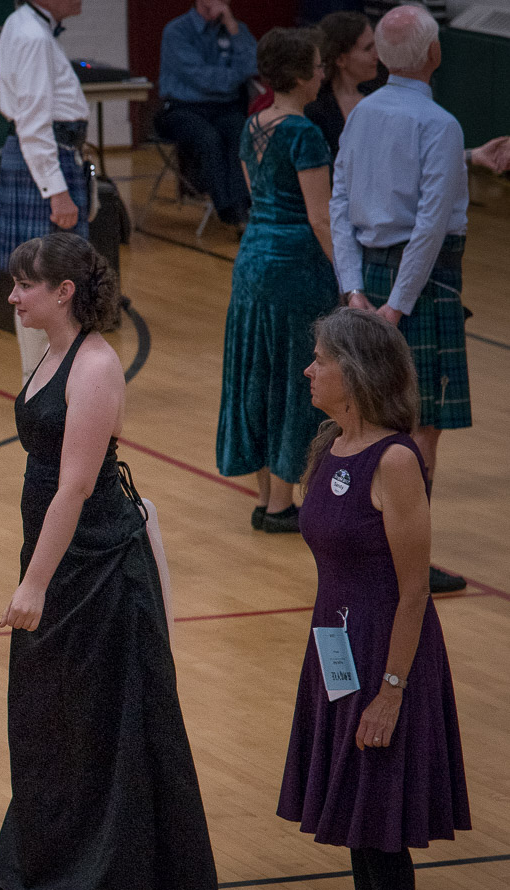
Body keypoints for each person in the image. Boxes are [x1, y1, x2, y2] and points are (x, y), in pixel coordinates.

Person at [0, 233, 217, 890]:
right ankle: (50, 857)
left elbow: (76, 486)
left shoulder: (98, 365)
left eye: (25, 285)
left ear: (65, 292)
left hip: (97, 565)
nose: (12, 296)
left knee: (101, 717)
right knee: (50, 711)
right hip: (57, 554)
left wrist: (34, 584)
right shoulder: (50, 350)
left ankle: (106, 874)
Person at [279, 307, 469, 890]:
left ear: (354, 373)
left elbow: (415, 590)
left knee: (381, 823)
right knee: (358, 818)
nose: (310, 369)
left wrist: (391, 691)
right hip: (337, 651)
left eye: (321, 359)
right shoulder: (330, 446)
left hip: (389, 654)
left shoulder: (395, 461)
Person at [330, 4, 489, 596]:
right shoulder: (441, 124)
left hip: (368, 282)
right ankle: (406, 564)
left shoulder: (362, 114)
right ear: (434, 54)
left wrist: (354, 290)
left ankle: (375, 554)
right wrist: (396, 308)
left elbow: (340, 203)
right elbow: (429, 226)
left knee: (375, 419)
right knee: (421, 429)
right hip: (421, 285)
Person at [216, 28, 339, 534]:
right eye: (318, 66)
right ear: (300, 75)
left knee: (257, 374)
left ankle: (267, 497)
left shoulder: (252, 126)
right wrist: (347, 278)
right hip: (295, 269)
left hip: (251, 264)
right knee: (293, 376)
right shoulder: (305, 133)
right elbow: (320, 218)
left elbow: (259, 198)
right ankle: (281, 506)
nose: (323, 74)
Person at [0, 0, 91, 388]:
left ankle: (46, 381)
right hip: (44, 162)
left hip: (43, 158)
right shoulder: (33, 35)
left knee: (43, 276)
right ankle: (41, 385)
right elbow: (33, 123)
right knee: (42, 278)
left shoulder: (23, 23)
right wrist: (56, 191)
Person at [157, 0, 258, 227]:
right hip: (182, 108)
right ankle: (230, 212)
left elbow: (253, 65)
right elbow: (203, 78)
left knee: (240, 130)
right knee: (208, 138)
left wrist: (233, 28)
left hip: (224, 107)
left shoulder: (235, 29)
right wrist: (236, 76)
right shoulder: (177, 31)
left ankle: (245, 207)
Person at [305, 11, 379, 161]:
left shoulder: (376, 97)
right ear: (340, 59)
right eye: (368, 48)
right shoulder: (315, 108)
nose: (377, 55)